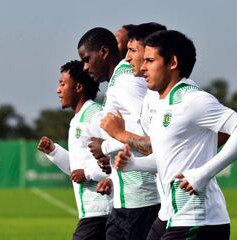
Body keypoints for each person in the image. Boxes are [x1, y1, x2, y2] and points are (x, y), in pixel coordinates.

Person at [114, 30, 237, 240]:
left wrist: (203, 173)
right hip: (168, 216)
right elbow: (167, 158)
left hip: (198, 219)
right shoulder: (160, 103)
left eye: (150, 60)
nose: (143, 67)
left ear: (172, 62)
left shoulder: (193, 99)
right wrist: (134, 166)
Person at [77, 27, 160, 240]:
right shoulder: (118, 80)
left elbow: (150, 139)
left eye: (87, 59)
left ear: (104, 52)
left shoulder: (126, 81)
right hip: (126, 200)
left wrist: (104, 146)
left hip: (140, 200)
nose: (85, 67)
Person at [37, 60, 112, 240]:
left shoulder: (96, 116)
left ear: (78, 87)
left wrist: (88, 173)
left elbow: (118, 161)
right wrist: (54, 151)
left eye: (62, 84)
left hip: (102, 211)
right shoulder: (78, 119)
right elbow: (76, 170)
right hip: (91, 212)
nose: (57, 89)